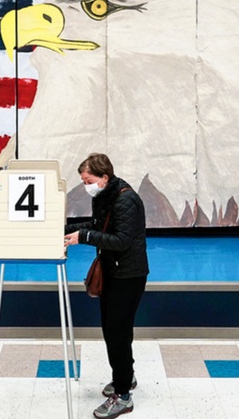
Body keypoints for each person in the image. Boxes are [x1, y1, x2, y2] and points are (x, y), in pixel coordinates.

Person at [64, 153, 149, 419]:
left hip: (128, 275)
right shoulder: (106, 196)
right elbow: (98, 225)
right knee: (116, 330)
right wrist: (68, 229)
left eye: (87, 180)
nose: (85, 184)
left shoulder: (126, 199)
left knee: (116, 332)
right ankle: (127, 376)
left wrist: (84, 237)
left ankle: (123, 396)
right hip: (114, 272)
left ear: (104, 177)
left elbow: (121, 240)